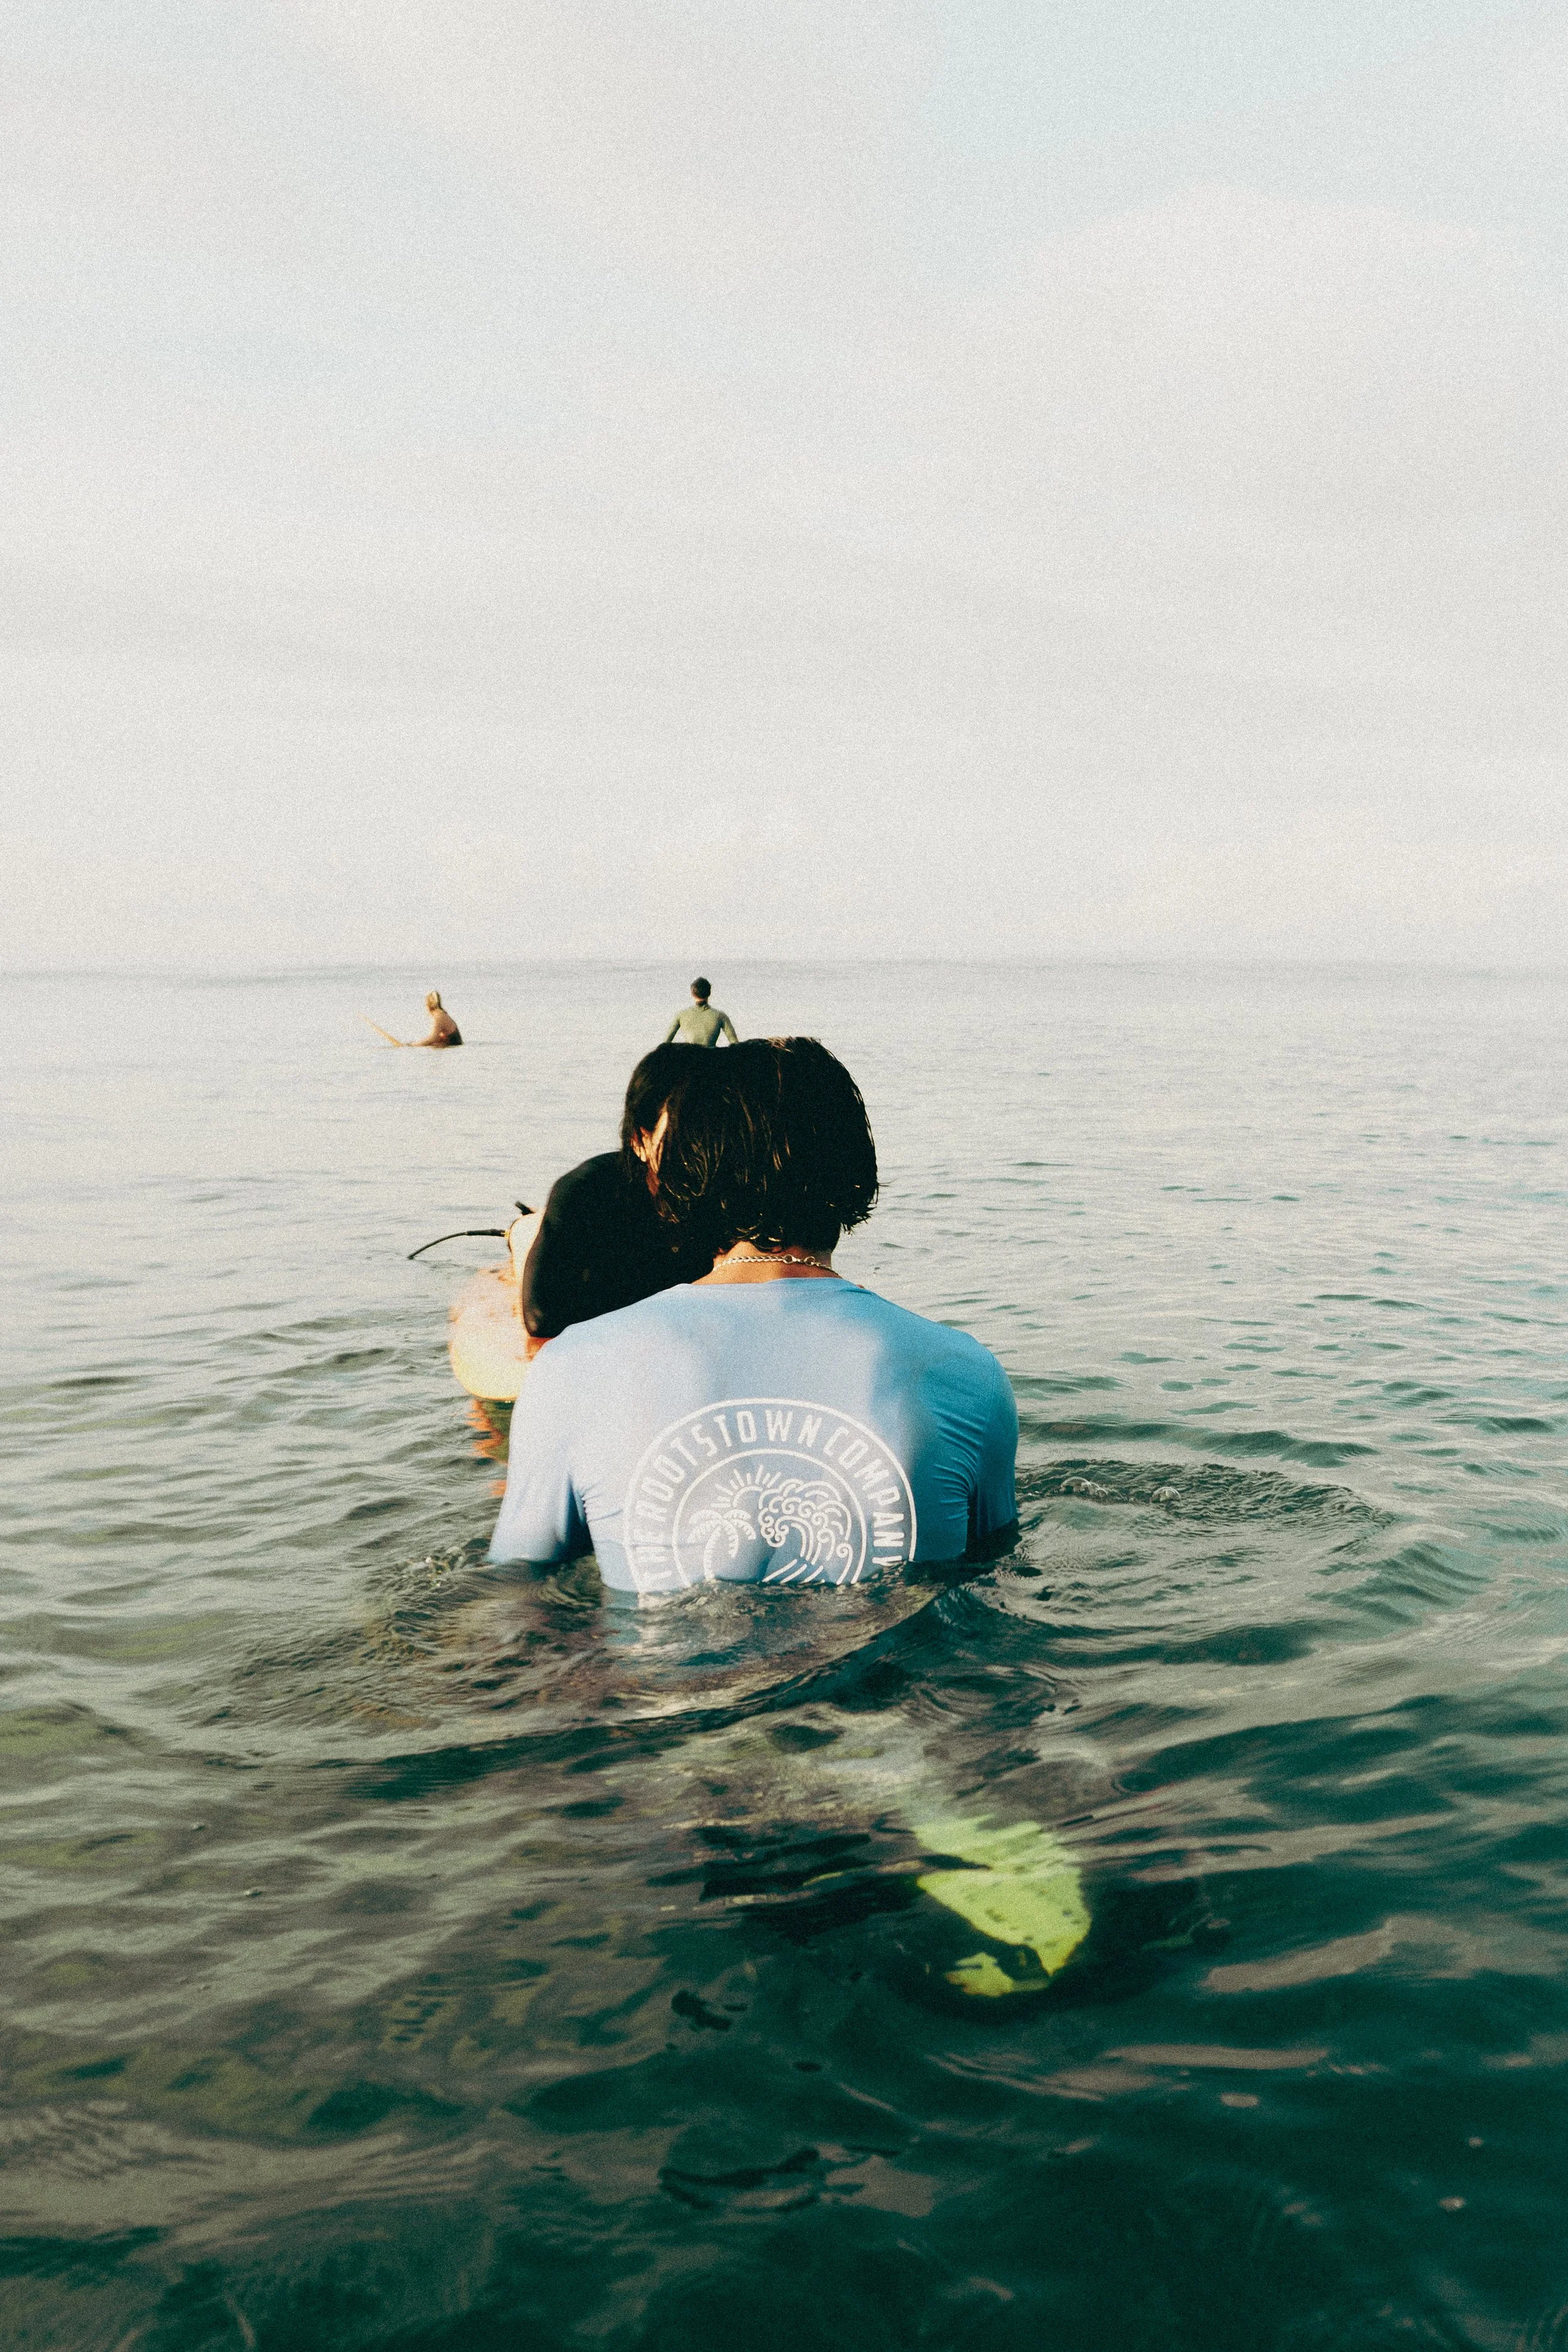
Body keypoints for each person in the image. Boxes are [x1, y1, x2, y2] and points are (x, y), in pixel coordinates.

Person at [491, 1037, 1017, 1594]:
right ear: (855, 1168)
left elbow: (518, 1598)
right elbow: (993, 1575)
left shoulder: (573, 1367)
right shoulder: (967, 1374)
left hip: (657, 1681)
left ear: (685, 1171)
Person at [516, 1044, 716, 1347]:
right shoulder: (585, 1192)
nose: (701, 1149)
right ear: (639, 1141)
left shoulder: (730, 1194)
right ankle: (522, 1229)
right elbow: (541, 1315)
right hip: (568, 1250)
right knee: (527, 1235)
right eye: (683, 1134)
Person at [662, 977, 738, 1049]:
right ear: (709, 993)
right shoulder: (720, 1016)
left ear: (692, 993)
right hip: (712, 1060)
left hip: (689, 1059)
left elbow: (665, 1044)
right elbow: (735, 1044)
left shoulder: (681, 1015)